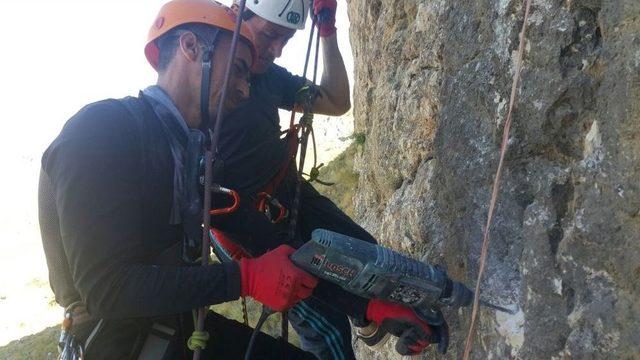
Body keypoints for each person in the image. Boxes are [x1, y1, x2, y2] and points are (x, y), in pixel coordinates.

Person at [38, 1, 318, 358]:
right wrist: (244, 279)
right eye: (236, 69)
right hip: (123, 341)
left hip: (169, 328)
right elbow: (105, 288)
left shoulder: (189, 153)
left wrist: (367, 306)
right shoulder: (102, 129)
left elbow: (253, 228)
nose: (244, 90)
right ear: (190, 47)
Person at [206, 0, 440, 358]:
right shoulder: (207, 97)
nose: (275, 50)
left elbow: (335, 100)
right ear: (238, 16)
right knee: (325, 326)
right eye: (270, 36)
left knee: (367, 255)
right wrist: (363, 305)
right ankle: (361, 316)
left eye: (284, 41)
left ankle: (369, 319)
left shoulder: (267, 75)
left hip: (285, 191)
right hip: (243, 224)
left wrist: (327, 33)